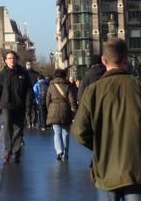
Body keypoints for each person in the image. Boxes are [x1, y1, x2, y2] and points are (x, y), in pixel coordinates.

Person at [72, 38, 141, 200]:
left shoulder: (92, 91)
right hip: (136, 167)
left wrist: (98, 145)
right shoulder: (137, 87)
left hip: (105, 167)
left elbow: (79, 131)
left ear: (104, 60)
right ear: (127, 61)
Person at [0, 49, 32, 163]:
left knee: (18, 129)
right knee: (7, 127)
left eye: (14, 58)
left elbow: (29, 89)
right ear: (5, 61)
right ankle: (7, 151)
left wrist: (29, 102)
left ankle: (16, 151)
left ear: (17, 60)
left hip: (19, 105)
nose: (12, 60)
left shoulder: (23, 73)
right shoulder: (2, 75)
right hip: (6, 105)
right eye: (9, 58)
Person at [45, 68, 77, 161]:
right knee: (65, 133)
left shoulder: (51, 86)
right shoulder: (68, 85)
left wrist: (49, 109)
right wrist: (74, 110)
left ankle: (59, 151)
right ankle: (66, 153)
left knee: (57, 133)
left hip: (53, 109)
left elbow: (47, 99)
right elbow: (72, 100)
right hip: (65, 110)